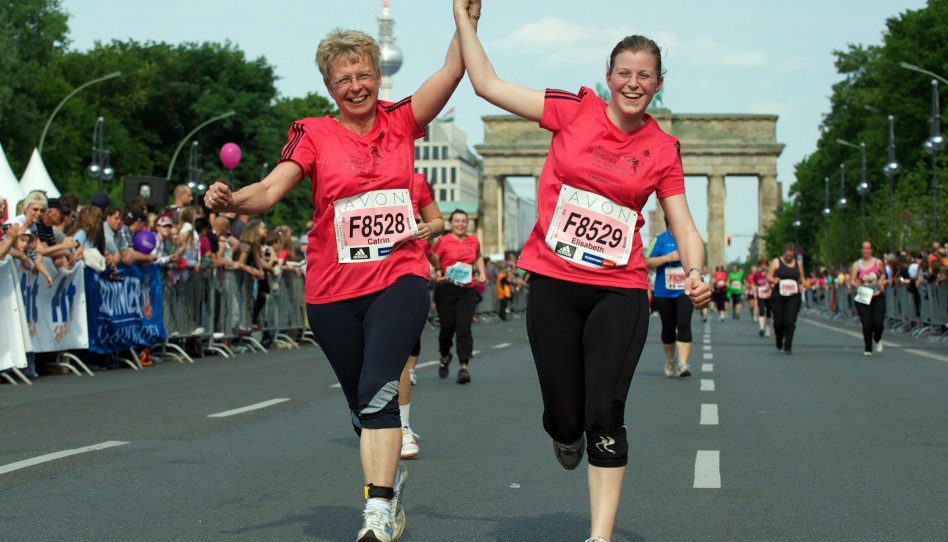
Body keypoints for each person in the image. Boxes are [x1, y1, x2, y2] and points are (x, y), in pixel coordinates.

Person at [453, 5, 711, 541]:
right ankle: (564, 434)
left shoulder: (662, 148)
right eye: (625, 73)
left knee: (605, 411)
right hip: (553, 282)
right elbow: (487, 84)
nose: (634, 83)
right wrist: (465, 20)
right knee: (568, 418)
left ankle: (600, 535)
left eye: (645, 75)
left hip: (619, 290)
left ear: (658, 84)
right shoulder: (575, 110)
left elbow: (683, 223)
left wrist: (696, 270)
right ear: (609, 76)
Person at [203, 20, 464, 541]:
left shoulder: (403, 120)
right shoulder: (313, 133)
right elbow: (271, 189)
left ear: (376, 75)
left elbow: (453, 69)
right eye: (344, 79)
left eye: (364, 74)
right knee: (362, 407)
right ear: (329, 87)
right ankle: (387, 473)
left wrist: (466, 18)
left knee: (378, 391)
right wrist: (232, 202)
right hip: (332, 291)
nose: (357, 86)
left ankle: (379, 508)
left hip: (399, 275)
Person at [431, 209, 486, 384]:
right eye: (457, 221)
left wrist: (482, 272)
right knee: (447, 328)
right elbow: (432, 260)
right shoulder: (443, 241)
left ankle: (464, 367)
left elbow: (478, 257)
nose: (461, 224)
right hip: (446, 289)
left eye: (464, 221)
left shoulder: (473, 240)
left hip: (467, 289)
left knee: (464, 328)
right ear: (450, 223)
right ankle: (445, 356)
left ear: (467, 223)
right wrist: (435, 273)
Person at [645, 228, 694, 378]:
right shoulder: (659, 239)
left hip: (684, 290)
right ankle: (670, 359)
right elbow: (646, 261)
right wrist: (667, 257)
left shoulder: (691, 237)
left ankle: (683, 364)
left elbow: (699, 260)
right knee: (668, 329)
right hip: (664, 291)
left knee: (684, 323)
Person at [767, 243, 805, 355]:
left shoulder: (798, 264)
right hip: (778, 295)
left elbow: (801, 277)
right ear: (783, 253)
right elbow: (769, 276)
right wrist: (773, 280)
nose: (788, 258)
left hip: (793, 296)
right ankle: (779, 338)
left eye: (791, 256)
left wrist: (802, 282)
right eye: (787, 256)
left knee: (790, 321)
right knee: (778, 322)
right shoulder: (776, 262)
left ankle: (788, 345)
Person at [850, 240, 886, 356]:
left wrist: (881, 281)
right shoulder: (857, 265)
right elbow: (852, 280)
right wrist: (858, 285)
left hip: (877, 296)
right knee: (867, 323)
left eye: (868, 248)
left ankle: (877, 338)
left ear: (872, 250)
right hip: (863, 297)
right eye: (864, 248)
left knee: (878, 323)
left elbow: (883, 274)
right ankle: (868, 348)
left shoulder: (878, 262)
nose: (866, 250)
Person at [750, 259, 773, 337]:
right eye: (762, 265)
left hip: (770, 296)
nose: (763, 266)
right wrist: (754, 292)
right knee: (761, 311)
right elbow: (754, 284)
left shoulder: (770, 274)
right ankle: (761, 328)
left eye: (765, 264)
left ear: (767, 265)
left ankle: (768, 329)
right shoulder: (757, 275)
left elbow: (774, 283)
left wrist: (770, 285)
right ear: (759, 266)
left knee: (769, 312)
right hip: (760, 295)